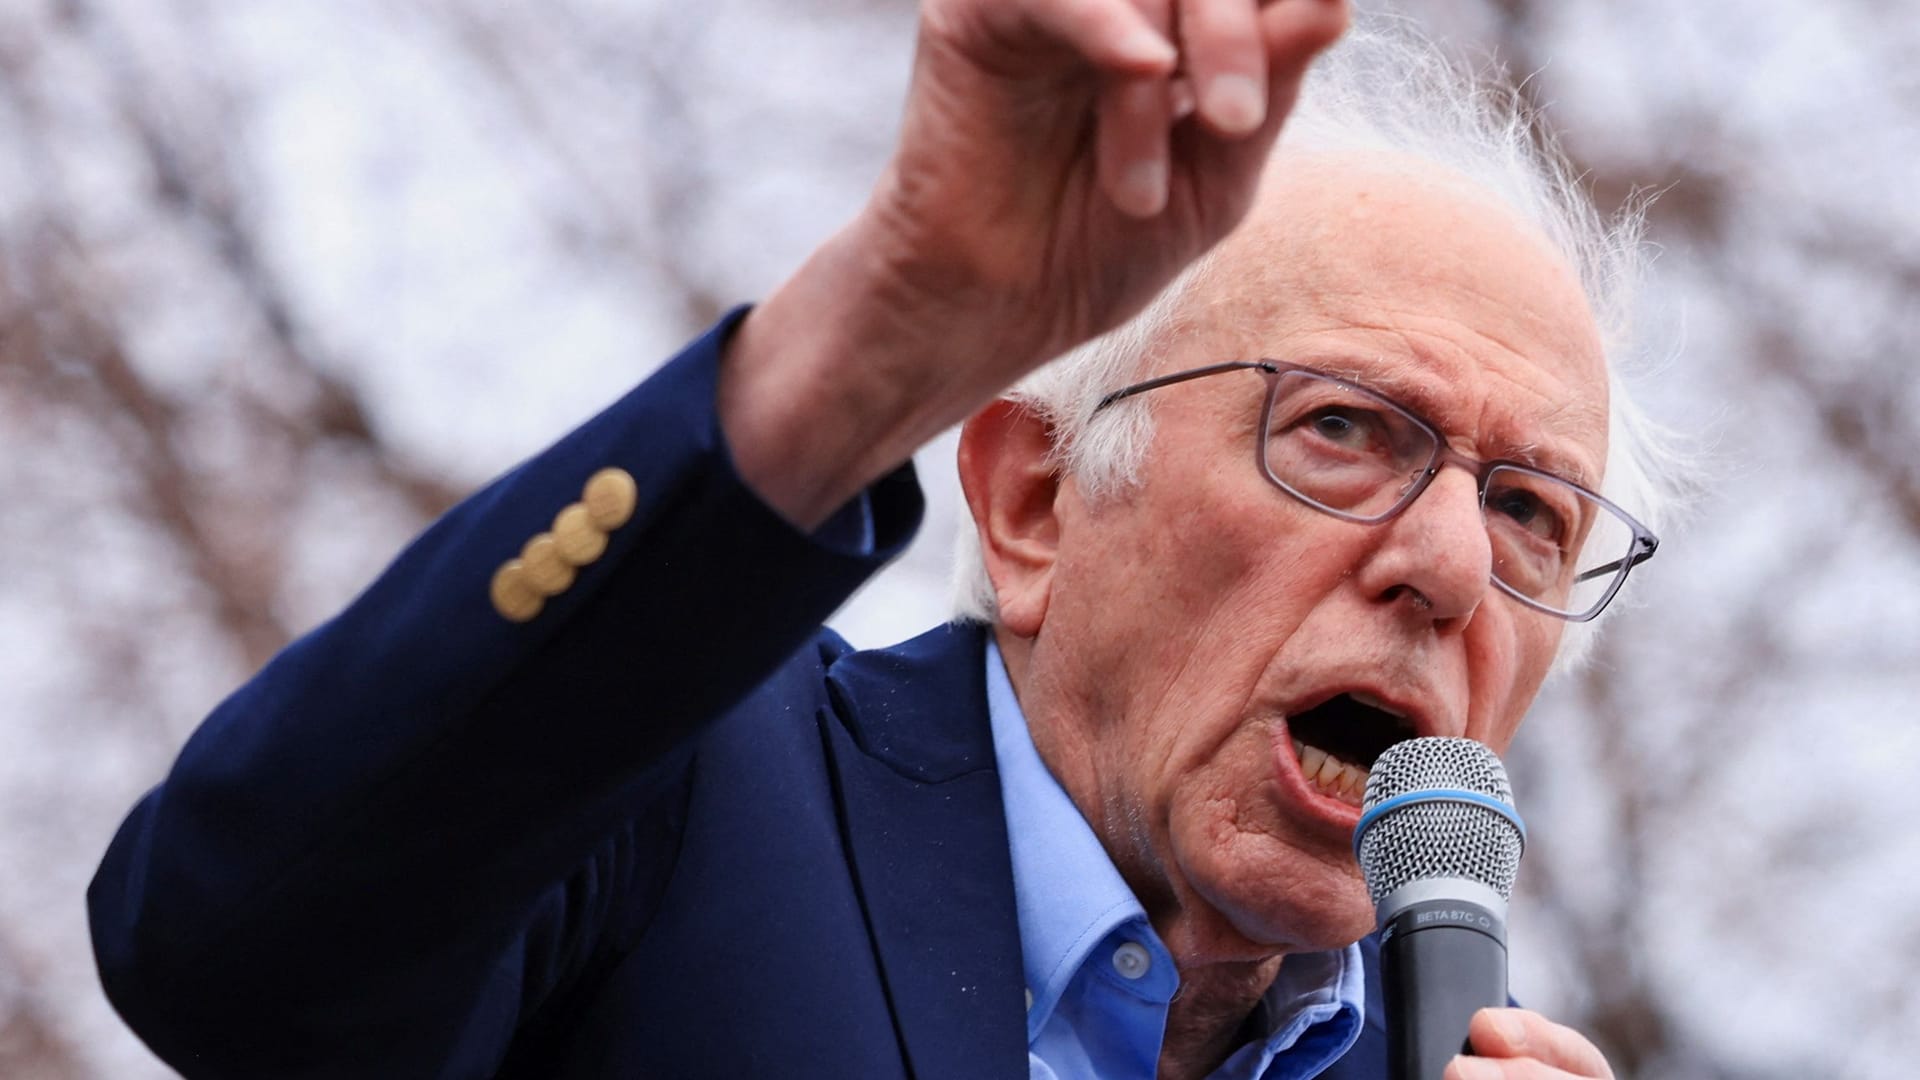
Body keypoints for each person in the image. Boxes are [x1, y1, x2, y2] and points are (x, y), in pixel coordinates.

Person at [89, 1, 1669, 1077]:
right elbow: (227, 948)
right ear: (1036, 503)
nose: (1450, 565)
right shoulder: (692, 792)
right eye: (1345, 430)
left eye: (1529, 511)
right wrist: (879, 329)